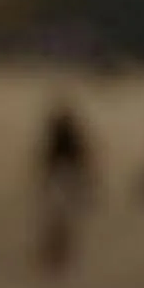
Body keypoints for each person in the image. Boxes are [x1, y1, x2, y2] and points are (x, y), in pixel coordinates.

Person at [36, 100, 96, 275]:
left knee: (56, 222)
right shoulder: (74, 141)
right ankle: (60, 257)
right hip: (69, 180)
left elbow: (46, 164)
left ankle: (55, 257)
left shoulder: (55, 141)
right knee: (64, 224)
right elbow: (84, 162)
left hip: (60, 180)